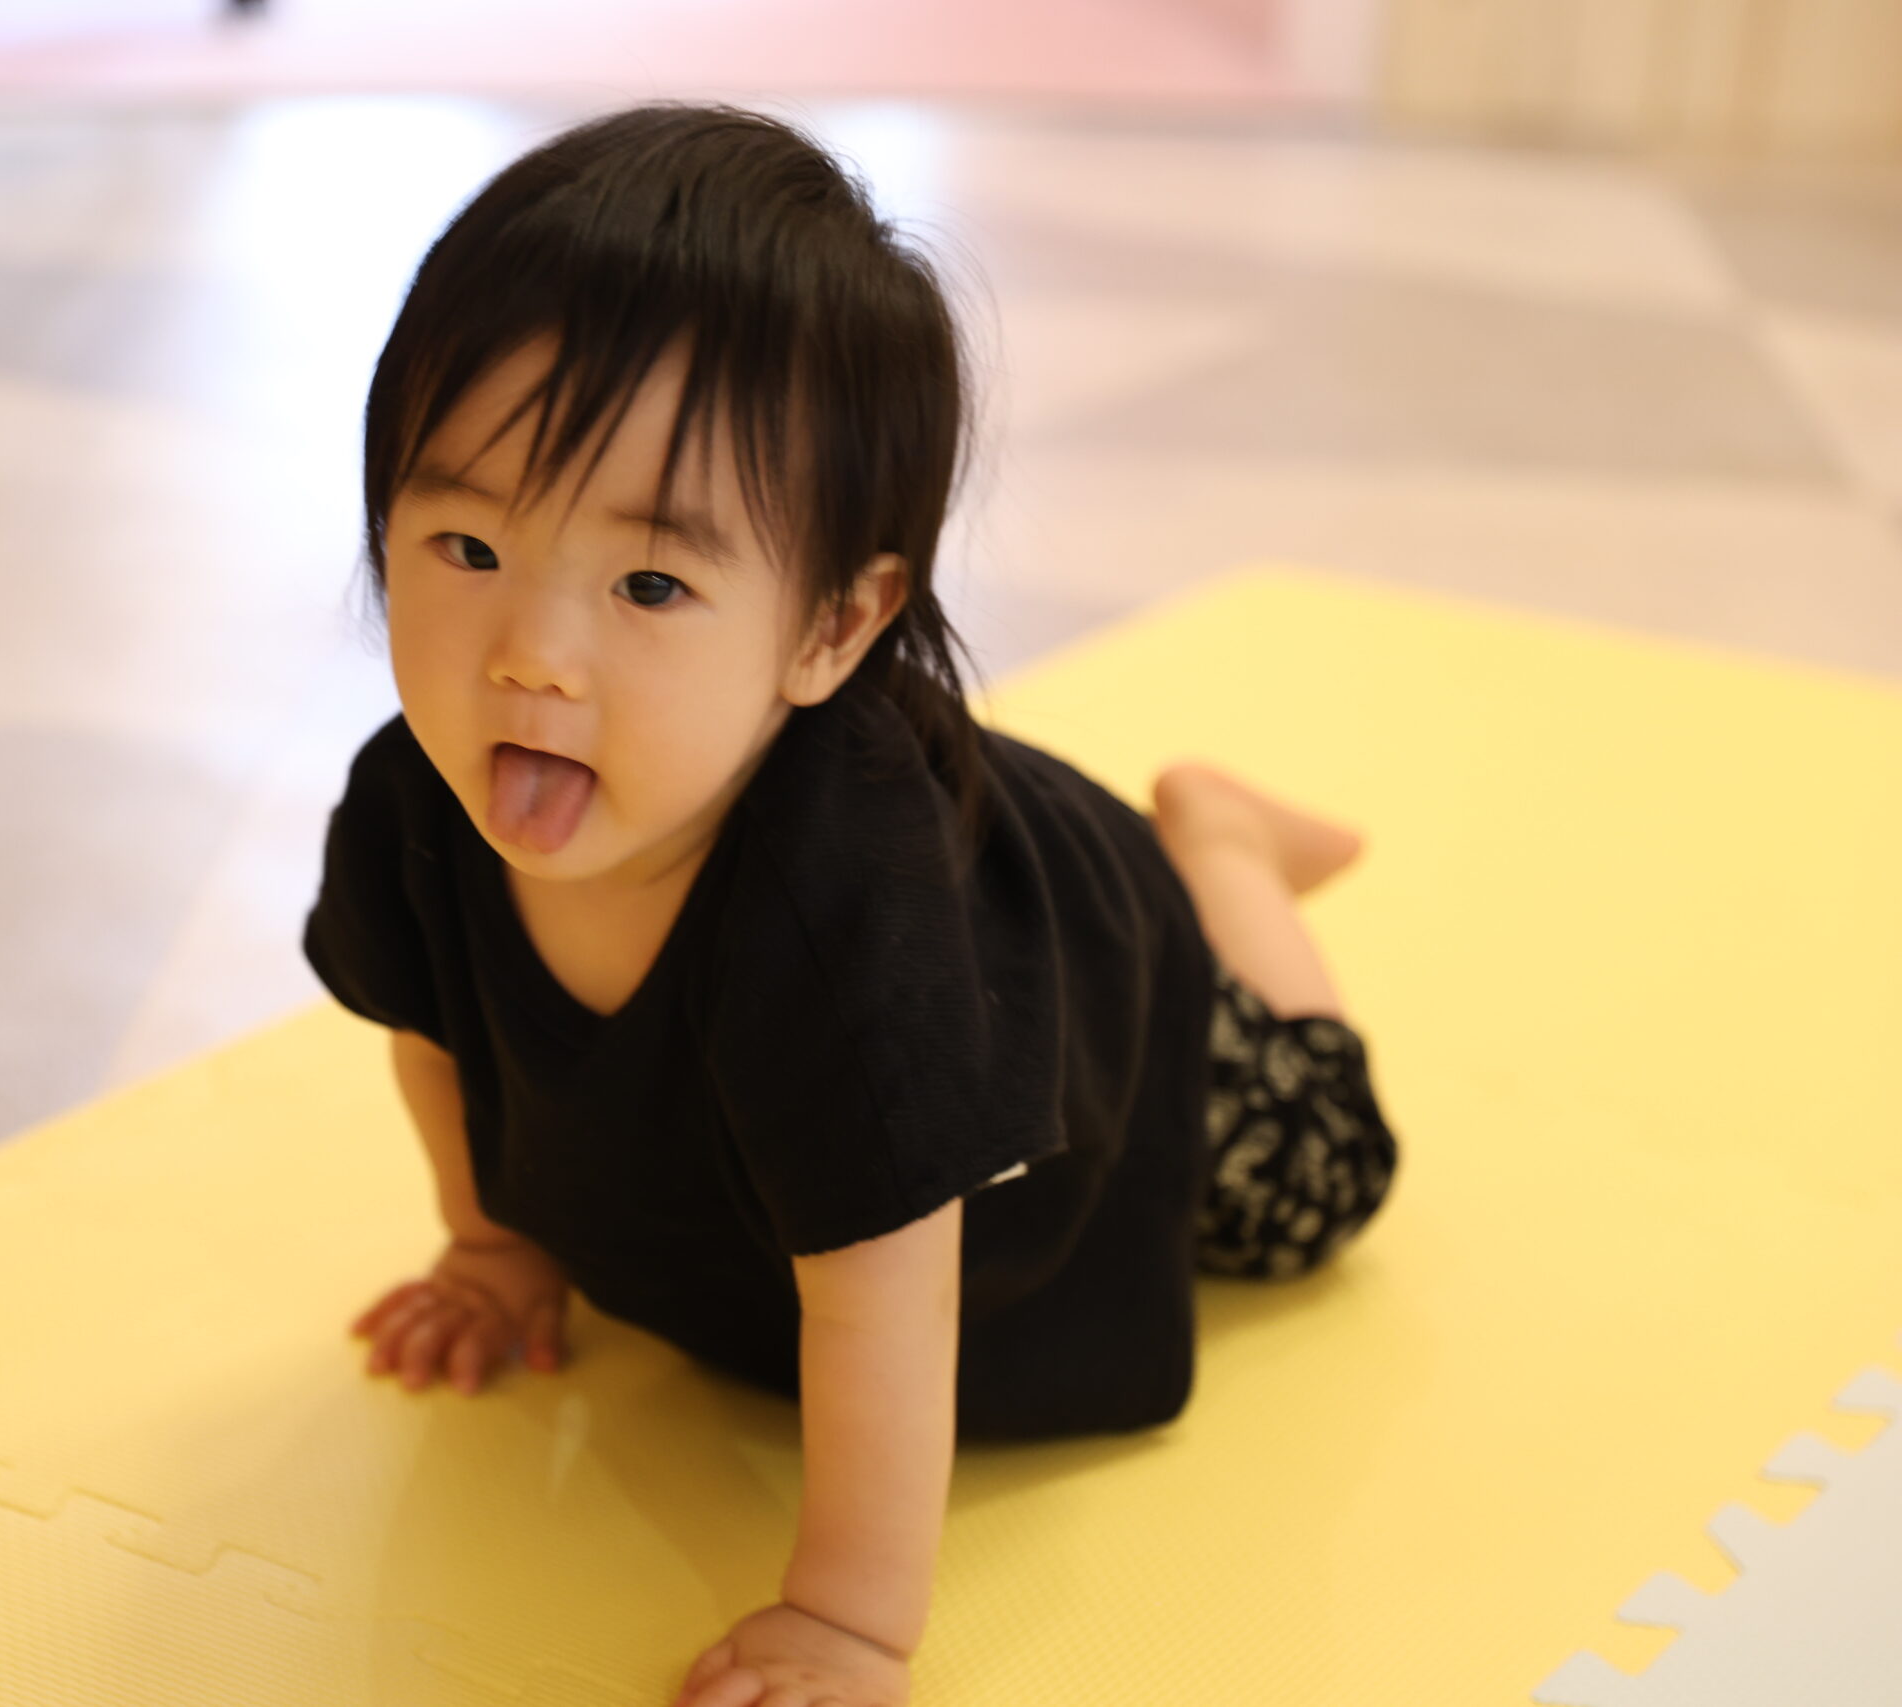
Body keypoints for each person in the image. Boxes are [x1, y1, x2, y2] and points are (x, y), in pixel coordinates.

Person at [302, 103, 1400, 1707]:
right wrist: (493, 1248)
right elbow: (441, 1034)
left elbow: (887, 1289)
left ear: (832, 627)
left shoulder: (851, 917)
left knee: (1321, 1177)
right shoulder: (422, 797)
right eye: (466, 544)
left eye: (650, 585)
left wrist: (849, 1621)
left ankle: (1222, 854)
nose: (531, 655)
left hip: (1113, 992)